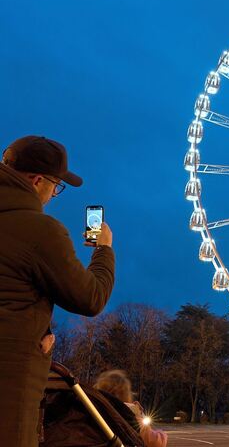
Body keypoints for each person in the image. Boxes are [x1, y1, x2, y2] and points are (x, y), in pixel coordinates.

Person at [0, 135, 115, 446]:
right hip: (11, 391)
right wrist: (103, 250)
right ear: (38, 181)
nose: (53, 194)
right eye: (56, 186)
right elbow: (91, 298)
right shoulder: (39, 231)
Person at [95, 370, 168, 447]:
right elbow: (156, 442)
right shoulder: (130, 418)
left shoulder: (96, 414)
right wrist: (139, 414)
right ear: (127, 395)